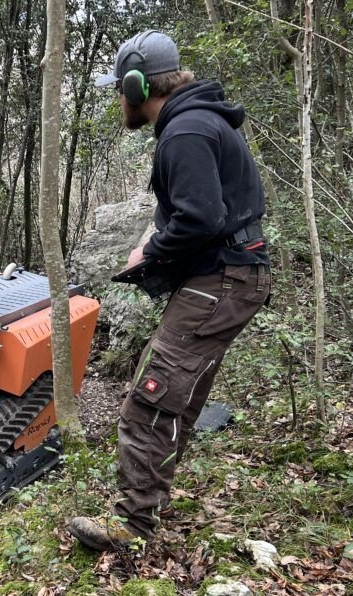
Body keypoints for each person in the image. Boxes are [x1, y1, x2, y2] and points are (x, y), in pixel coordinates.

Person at [67, 30, 272, 550]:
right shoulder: (199, 122)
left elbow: (201, 218)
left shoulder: (184, 131)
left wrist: (151, 251)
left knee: (150, 399)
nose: (118, 100)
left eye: (119, 90)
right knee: (178, 398)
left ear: (137, 87)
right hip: (231, 278)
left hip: (220, 280)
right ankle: (149, 502)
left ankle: (132, 524)